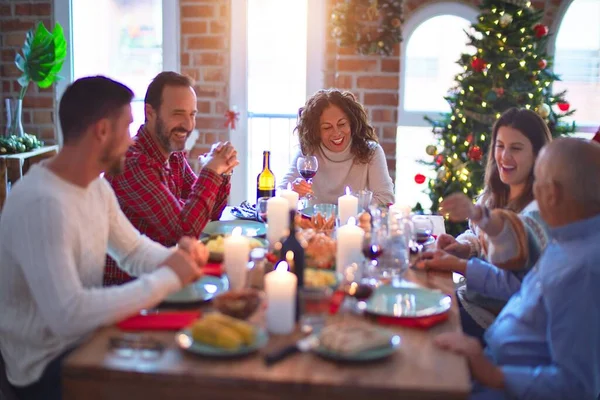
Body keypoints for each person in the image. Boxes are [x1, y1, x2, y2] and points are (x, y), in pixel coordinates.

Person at [0, 76, 209, 400]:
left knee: (189, 366)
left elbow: (133, 250)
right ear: (101, 131)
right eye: (126, 128)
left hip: (88, 340)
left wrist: (174, 258)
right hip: (45, 368)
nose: (131, 140)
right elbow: (69, 315)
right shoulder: (42, 203)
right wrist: (168, 278)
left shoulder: (95, 187)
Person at [419, 138, 600, 400]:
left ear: (552, 193)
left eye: (538, 180)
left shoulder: (585, 271)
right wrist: (459, 263)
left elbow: (577, 386)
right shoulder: (568, 237)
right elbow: (518, 285)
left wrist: (490, 372)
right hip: (490, 360)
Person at [104, 71, 239, 286]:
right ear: (150, 113)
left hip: (166, 275)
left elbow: (209, 214)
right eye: (178, 114)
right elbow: (185, 230)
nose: (188, 124)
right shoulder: (133, 162)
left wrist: (223, 171)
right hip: (130, 287)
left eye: (192, 114)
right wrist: (211, 172)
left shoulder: (173, 155)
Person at [435, 108, 552, 337]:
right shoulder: (495, 193)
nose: (504, 157)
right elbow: (479, 236)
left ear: (538, 155)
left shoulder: (537, 213)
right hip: (471, 300)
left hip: (495, 323)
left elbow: (514, 286)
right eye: (500, 146)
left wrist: (458, 264)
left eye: (516, 148)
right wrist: (465, 247)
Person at [280, 89, 394, 205]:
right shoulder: (308, 151)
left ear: (352, 123)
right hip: (314, 223)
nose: (336, 133)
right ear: (316, 131)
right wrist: (294, 191)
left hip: (354, 222)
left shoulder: (371, 151)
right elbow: (280, 192)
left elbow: (386, 199)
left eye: (342, 124)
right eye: (327, 127)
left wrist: (346, 207)